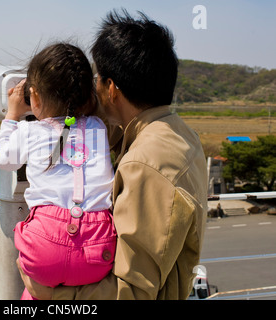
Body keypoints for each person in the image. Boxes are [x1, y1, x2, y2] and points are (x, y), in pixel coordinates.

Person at [18, 9, 208, 300]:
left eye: (97, 78)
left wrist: (44, 290)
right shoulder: (175, 133)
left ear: (111, 89)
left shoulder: (146, 164)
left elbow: (133, 292)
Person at [0, 43, 116, 300]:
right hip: (99, 250)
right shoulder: (98, 126)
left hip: (44, 248)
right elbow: (71, 125)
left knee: (33, 295)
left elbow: (4, 159)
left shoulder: (29, 132)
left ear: (34, 97)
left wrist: (12, 115)